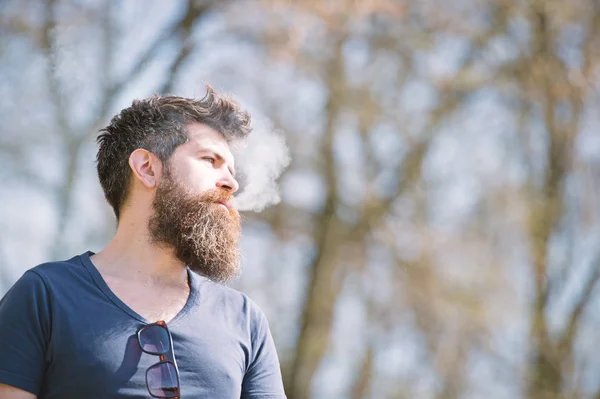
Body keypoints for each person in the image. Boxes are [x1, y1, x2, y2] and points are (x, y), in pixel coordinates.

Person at [0, 87, 287, 399]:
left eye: (230, 170)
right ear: (147, 169)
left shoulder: (245, 320)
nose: (231, 183)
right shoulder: (45, 295)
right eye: (210, 160)